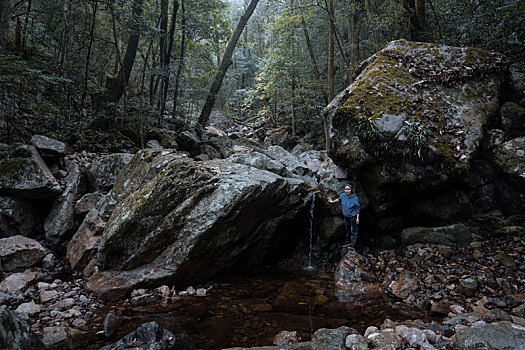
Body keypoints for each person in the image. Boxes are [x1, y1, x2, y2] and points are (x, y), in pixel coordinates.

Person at [328, 184, 360, 249]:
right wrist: (332, 201)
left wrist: (357, 218)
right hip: (346, 216)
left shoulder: (355, 198)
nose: (347, 191)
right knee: (347, 229)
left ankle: (352, 245)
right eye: (346, 189)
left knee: (353, 231)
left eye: (348, 189)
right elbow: (338, 199)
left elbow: (357, 209)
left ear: (351, 190)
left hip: (353, 217)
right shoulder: (343, 195)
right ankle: (347, 242)